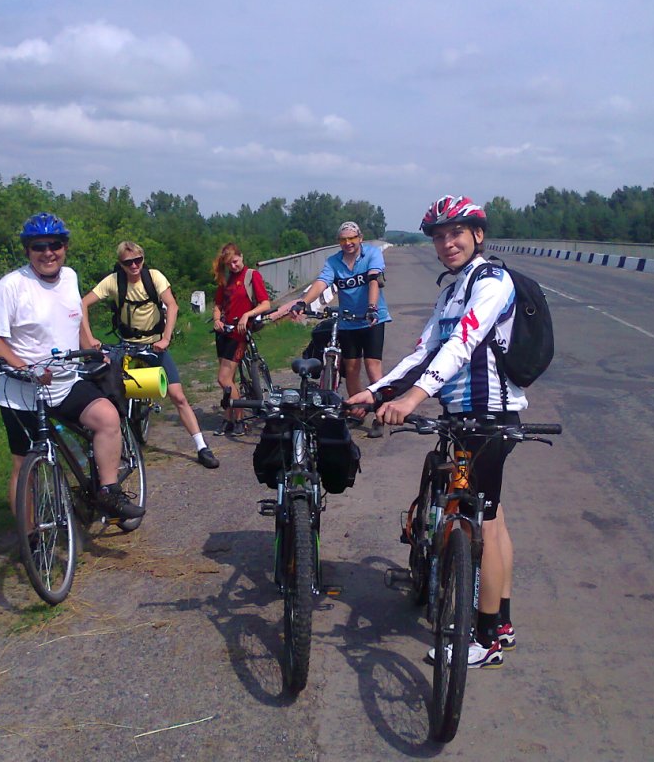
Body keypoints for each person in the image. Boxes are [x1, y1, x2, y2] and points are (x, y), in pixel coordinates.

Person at [346, 195, 522, 668]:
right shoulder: (452, 291)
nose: (447, 243)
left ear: (477, 235)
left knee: (482, 523)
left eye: (456, 233)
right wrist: (375, 393)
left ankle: (484, 638)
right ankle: (501, 625)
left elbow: (462, 343)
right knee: (493, 516)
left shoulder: (492, 282)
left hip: (488, 417)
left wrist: (411, 400)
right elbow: (424, 352)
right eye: (439, 236)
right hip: (461, 415)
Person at [0, 212, 144, 522]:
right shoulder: (12, 286)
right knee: (24, 465)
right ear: (27, 250)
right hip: (24, 393)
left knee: (107, 417)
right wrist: (24, 368)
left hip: (67, 383)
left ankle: (109, 493)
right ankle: (31, 537)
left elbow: (74, 317)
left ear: (65, 247)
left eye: (54, 245)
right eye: (38, 246)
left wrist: (91, 346)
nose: (48, 253)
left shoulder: (69, 277)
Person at [81, 241, 220, 469]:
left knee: (178, 396)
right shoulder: (114, 281)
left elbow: (172, 306)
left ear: (143, 259)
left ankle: (201, 446)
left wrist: (165, 338)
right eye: (128, 262)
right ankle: (120, 448)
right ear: (121, 264)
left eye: (138, 260)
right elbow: (83, 304)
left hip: (155, 346)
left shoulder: (154, 277)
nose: (134, 265)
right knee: (113, 396)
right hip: (127, 345)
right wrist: (89, 338)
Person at [272, 221, 391, 437]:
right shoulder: (334, 261)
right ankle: (357, 410)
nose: (348, 243)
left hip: (372, 319)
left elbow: (374, 280)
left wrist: (372, 307)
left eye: (352, 238)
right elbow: (321, 283)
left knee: (373, 368)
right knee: (351, 369)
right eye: (343, 240)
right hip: (348, 322)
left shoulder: (372, 255)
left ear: (360, 238)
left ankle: (380, 416)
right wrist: (303, 302)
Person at [211, 243, 271, 436]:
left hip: (239, 334)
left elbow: (265, 303)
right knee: (228, 381)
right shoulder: (226, 280)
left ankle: (238, 419)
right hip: (224, 332)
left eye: (235, 261)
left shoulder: (251, 276)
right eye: (229, 264)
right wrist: (216, 319)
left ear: (241, 257)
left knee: (223, 379)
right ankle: (228, 418)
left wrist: (247, 315)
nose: (233, 266)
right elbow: (218, 305)